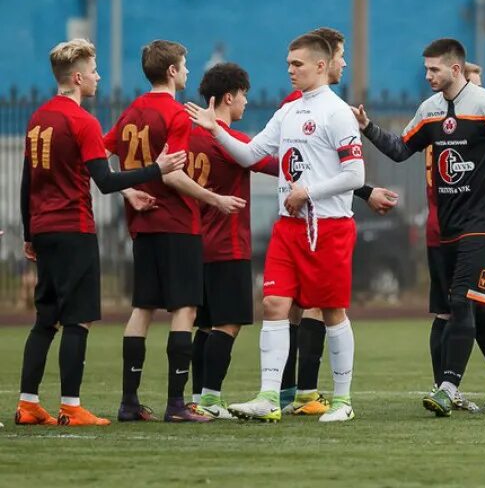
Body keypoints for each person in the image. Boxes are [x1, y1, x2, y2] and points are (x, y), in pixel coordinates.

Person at [352, 38, 485, 417]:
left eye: (434, 69)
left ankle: (448, 387)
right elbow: (401, 150)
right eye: (426, 69)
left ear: (454, 69)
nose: (428, 75)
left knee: (463, 300)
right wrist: (368, 127)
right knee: (475, 306)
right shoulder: (429, 110)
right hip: (446, 227)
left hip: (484, 224)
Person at [187, 32, 365, 422]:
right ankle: (269, 396)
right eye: (288, 64)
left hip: (329, 227)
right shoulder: (287, 112)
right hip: (289, 228)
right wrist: (216, 130)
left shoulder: (337, 113)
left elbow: (356, 173)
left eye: (297, 64)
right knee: (273, 304)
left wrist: (309, 191)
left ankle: (343, 401)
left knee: (332, 311)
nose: (290, 70)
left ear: (321, 65)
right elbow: (251, 154)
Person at [16, 39, 185, 427]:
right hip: (74, 229)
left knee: (45, 319)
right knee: (78, 320)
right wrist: (156, 169)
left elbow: (28, 180)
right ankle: (71, 407)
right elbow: (105, 181)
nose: (98, 77)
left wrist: (29, 231)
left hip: (43, 228)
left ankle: (27, 405)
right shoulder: (82, 121)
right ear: (77, 77)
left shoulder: (38, 117)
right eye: (93, 71)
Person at [106, 40, 245, 423]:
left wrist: (130, 190)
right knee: (185, 307)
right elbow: (173, 175)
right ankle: (176, 405)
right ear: (171, 71)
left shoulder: (132, 110)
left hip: (143, 225)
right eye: (184, 66)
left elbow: (101, 155)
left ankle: (129, 403)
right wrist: (212, 199)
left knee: (142, 308)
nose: (187, 72)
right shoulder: (176, 113)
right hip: (179, 224)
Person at [278, 27, 397, 416]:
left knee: (312, 306)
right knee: (290, 307)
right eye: (341, 56)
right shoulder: (293, 109)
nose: (344, 64)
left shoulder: (332, 110)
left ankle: (303, 392)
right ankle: (289, 392)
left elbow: (334, 169)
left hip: (316, 216)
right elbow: (295, 164)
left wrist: (365, 191)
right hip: (298, 216)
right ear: (323, 62)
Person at [187, 63, 280, 419]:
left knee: (205, 325)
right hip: (228, 244)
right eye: (243, 96)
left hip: (197, 243)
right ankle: (211, 400)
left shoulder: (191, 135)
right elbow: (276, 165)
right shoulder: (233, 141)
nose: (245, 103)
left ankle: (198, 397)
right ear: (229, 97)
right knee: (228, 324)